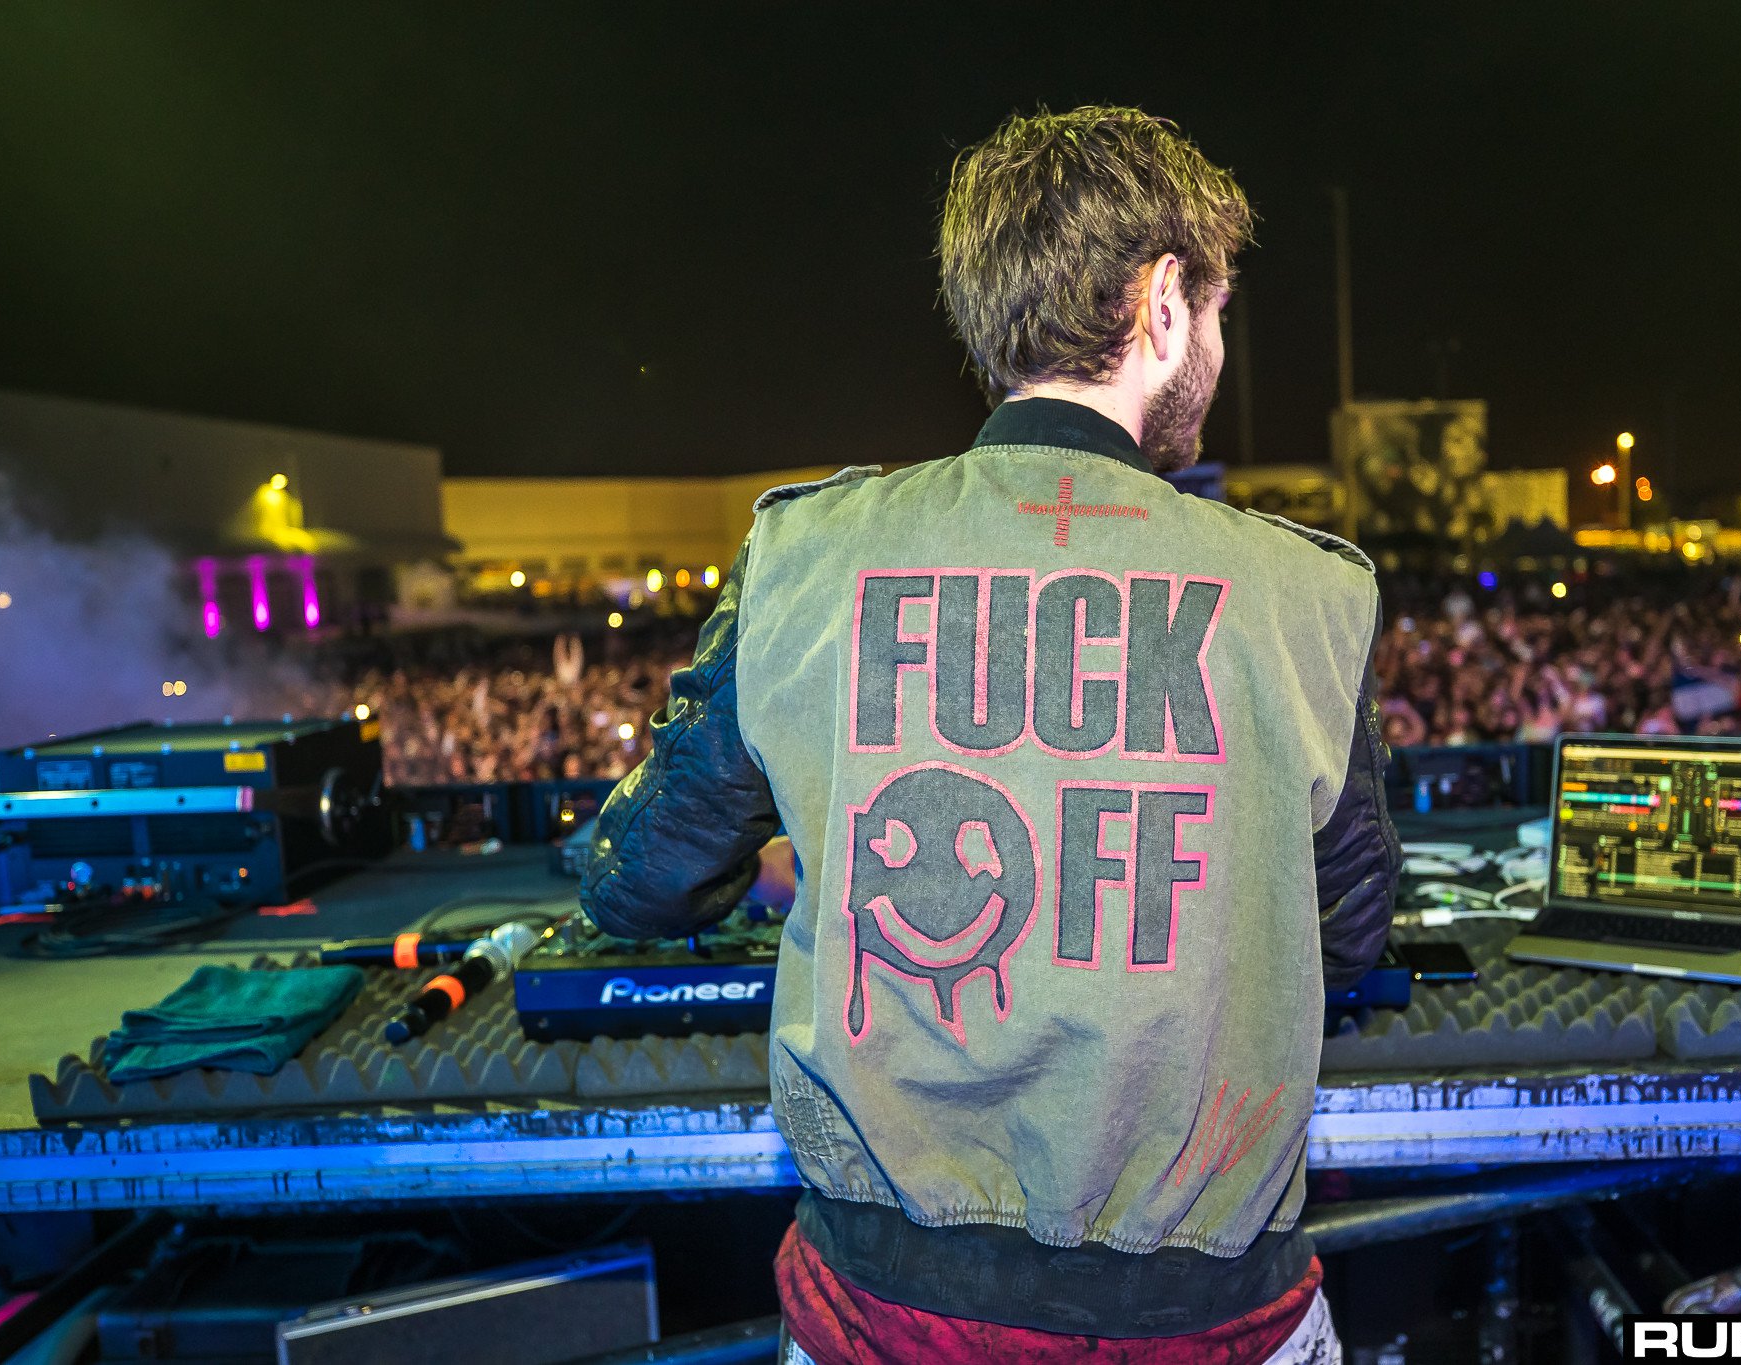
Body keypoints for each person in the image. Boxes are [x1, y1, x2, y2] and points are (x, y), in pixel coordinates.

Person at [583, 103, 1400, 1363]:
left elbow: (639, 883)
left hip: (879, 1313)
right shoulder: (1306, 589)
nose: (1216, 345)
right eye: (1215, 311)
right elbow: (1348, 937)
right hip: (1202, 1322)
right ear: (1162, 305)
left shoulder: (806, 552)